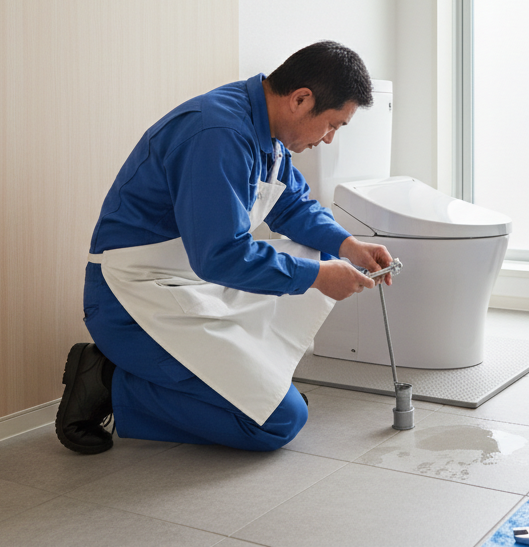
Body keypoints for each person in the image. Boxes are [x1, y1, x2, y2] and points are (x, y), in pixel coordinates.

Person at [55, 40, 394, 454]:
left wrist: (348, 245)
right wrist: (319, 277)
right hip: (132, 298)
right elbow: (222, 256)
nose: (328, 139)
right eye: (332, 125)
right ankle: (107, 380)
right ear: (301, 99)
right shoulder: (218, 134)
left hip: (191, 279)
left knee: (324, 253)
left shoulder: (264, 130)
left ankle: (251, 383)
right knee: (277, 423)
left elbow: (292, 205)